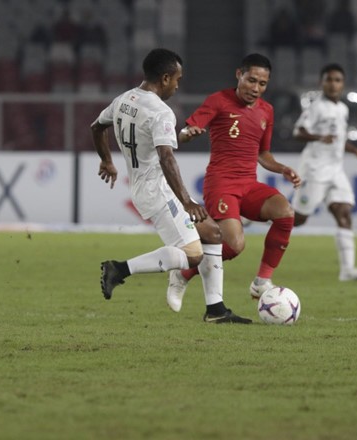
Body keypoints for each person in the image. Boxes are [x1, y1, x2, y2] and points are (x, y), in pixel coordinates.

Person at [91, 48, 251, 324]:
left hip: (143, 188)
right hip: (159, 191)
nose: (178, 86)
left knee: (213, 234)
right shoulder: (161, 111)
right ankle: (119, 269)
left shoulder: (124, 99)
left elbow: (97, 126)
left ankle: (216, 309)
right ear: (165, 78)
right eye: (177, 79)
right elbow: (166, 157)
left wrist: (107, 160)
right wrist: (187, 201)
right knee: (192, 255)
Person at [166, 53, 302, 312]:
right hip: (221, 184)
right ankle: (182, 274)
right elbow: (183, 133)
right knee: (234, 245)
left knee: (285, 213)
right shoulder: (218, 101)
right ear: (239, 75)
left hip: (248, 185)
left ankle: (262, 281)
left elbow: (263, 154)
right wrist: (188, 133)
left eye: (262, 84)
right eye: (252, 80)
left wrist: (282, 168)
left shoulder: (266, 111)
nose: (256, 88)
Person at [291, 63, 357, 281]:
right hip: (315, 169)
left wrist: (356, 151)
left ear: (342, 83)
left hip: (336, 169)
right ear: (322, 83)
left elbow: (338, 139)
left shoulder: (342, 109)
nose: (333, 84)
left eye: (337, 80)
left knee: (343, 211)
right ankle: (254, 216)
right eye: (329, 79)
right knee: (298, 219)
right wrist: (319, 137)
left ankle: (347, 270)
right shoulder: (316, 107)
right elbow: (298, 132)